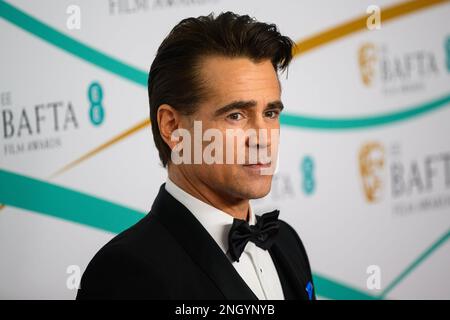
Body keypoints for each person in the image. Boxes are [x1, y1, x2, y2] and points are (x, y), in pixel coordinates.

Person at [77, 11, 315, 300]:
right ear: (172, 127)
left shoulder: (285, 240)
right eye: (236, 115)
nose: (263, 138)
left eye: (270, 113)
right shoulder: (123, 272)